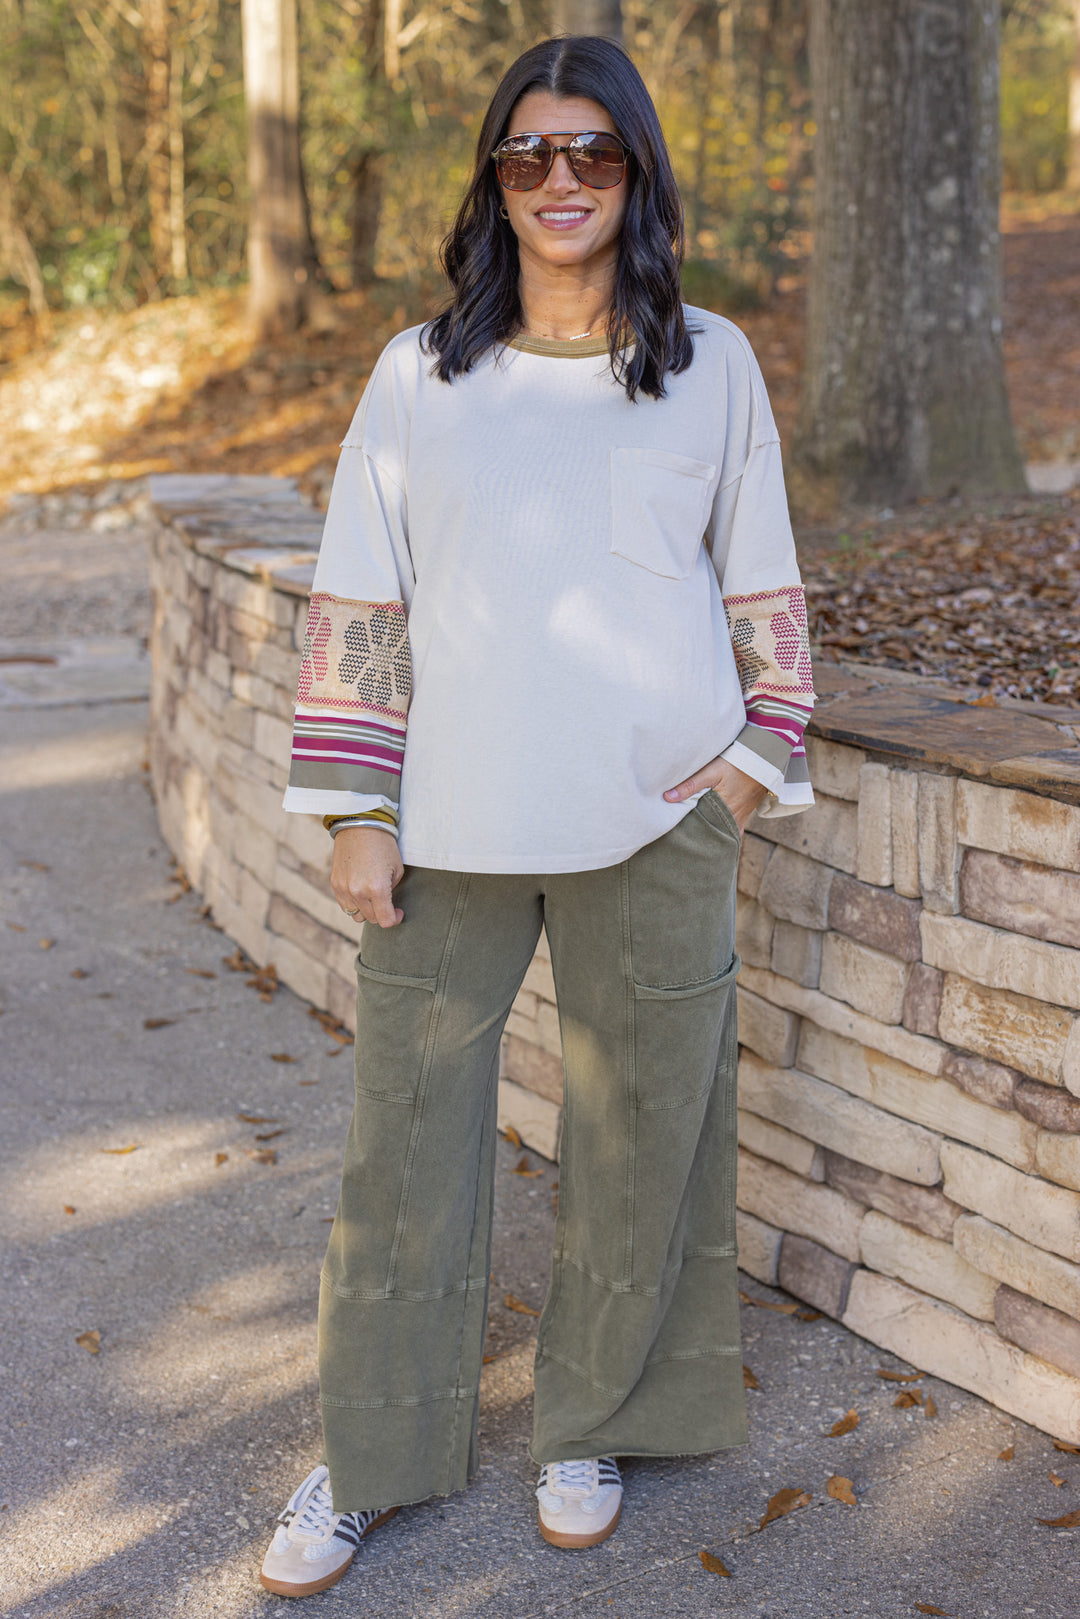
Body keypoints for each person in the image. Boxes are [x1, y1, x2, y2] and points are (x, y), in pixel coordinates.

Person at [261, 32, 815, 1600]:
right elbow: (359, 598)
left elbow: (760, 569)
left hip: (659, 819)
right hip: (446, 833)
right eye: (528, 154)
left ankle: (597, 1415)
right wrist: (357, 804)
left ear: (637, 174)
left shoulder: (711, 361)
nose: (558, 181)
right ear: (493, 180)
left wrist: (749, 762)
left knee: (646, 1140)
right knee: (406, 1149)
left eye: (593, 153)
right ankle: (373, 1449)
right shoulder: (420, 373)